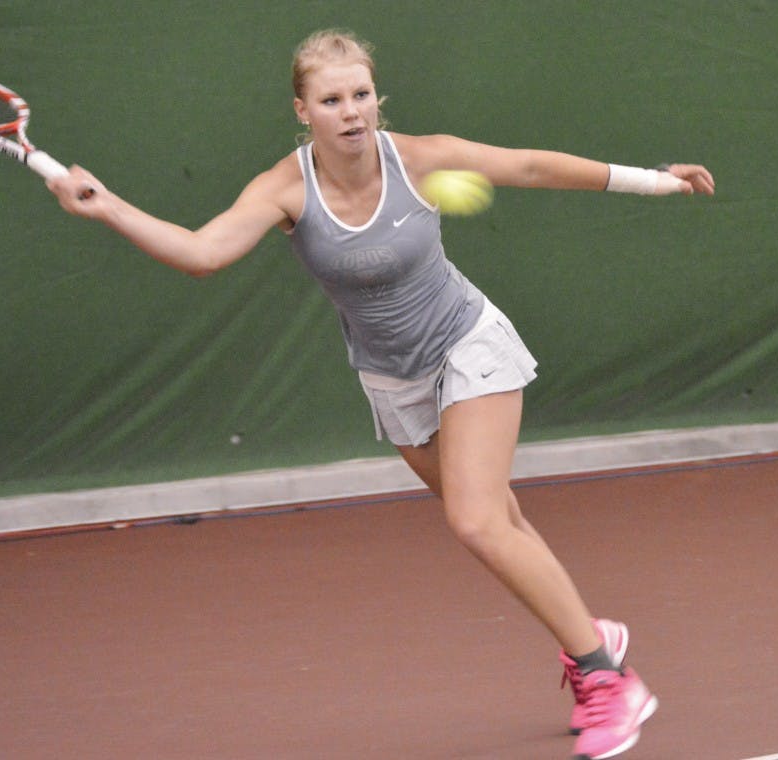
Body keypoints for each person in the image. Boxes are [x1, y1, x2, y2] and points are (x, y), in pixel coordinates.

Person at [48, 29, 715, 760]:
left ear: (376, 99)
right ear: (302, 110)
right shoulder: (285, 189)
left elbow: (529, 165)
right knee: (503, 525)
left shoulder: (418, 156)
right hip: (392, 378)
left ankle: (607, 678)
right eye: (331, 99)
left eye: (361, 94)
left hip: (468, 345)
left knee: (475, 520)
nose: (351, 111)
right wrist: (107, 206)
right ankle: (593, 633)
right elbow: (205, 254)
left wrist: (656, 180)